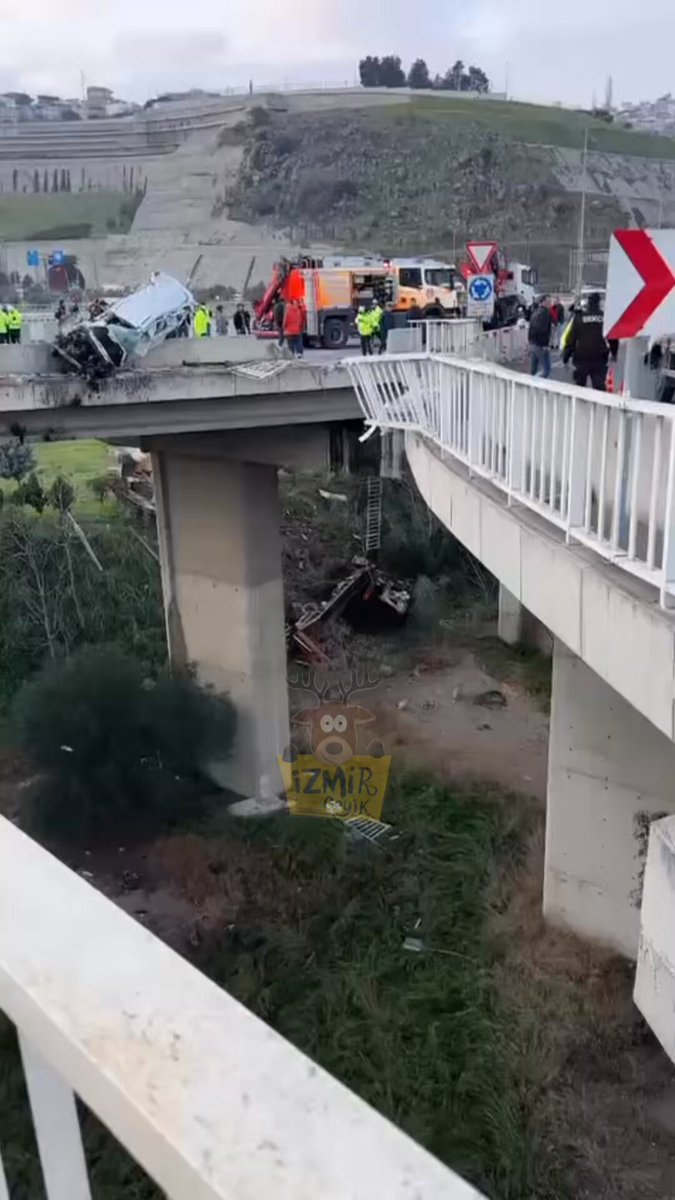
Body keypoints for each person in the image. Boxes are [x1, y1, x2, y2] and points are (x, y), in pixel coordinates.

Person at [562, 291, 615, 390]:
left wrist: (566, 355)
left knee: (579, 387)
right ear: (599, 302)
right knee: (599, 385)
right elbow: (612, 337)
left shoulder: (579, 318)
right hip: (599, 356)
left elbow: (571, 338)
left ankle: (579, 404)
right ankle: (599, 404)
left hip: (581, 356)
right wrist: (614, 352)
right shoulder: (604, 317)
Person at [528, 298, 552, 378]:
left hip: (532, 343)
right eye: (549, 302)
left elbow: (531, 328)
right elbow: (544, 330)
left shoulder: (535, 313)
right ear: (543, 303)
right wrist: (545, 344)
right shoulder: (545, 314)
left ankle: (531, 382)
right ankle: (534, 381)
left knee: (533, 367)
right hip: (540, 344)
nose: (550, 304)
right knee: (546, 368)